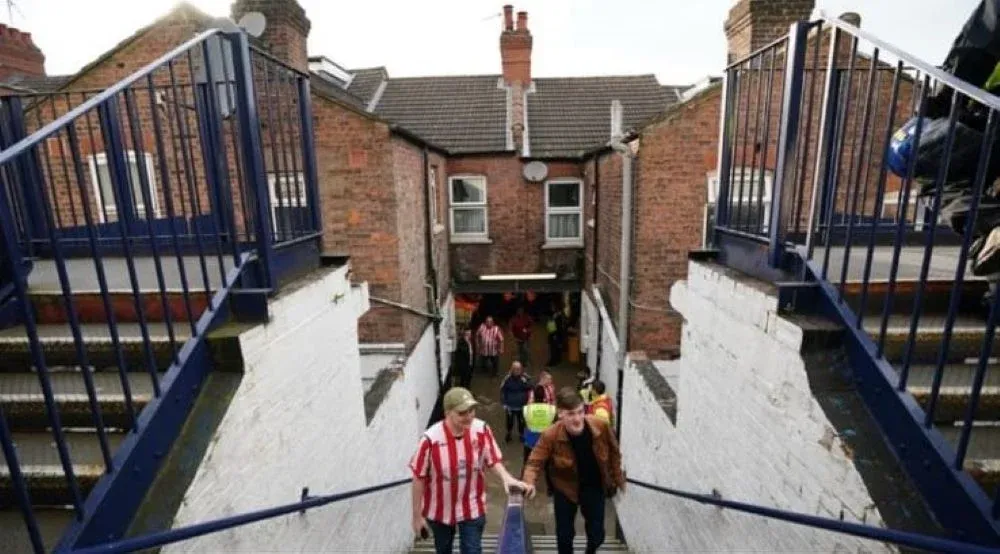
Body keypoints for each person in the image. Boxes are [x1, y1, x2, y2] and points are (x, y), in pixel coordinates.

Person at [410, 387, 533, 554]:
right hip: (440, 509)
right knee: (443, 549)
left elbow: (492, 459)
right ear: (447, 413)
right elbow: (418, 477)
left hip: (472, 505)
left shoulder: (481, 430)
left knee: (472, 549)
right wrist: (417, 516)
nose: (469, 416)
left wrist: (507, 478)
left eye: (471, 410)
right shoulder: (430, 440)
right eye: (462, 413)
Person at [523, 387, 626, 554]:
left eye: (580, 412)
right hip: (565, 488)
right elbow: (535, 461)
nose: (577, 419)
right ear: (560, 414)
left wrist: (617, 478)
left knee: (597, 534)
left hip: (594, 487)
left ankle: (590, 550)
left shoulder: (600, 426)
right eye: (571, 414)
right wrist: (529, 482)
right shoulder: (551, 435)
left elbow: (614, 452)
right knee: (564, 535)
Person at [500, 361, 532, 443]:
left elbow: (531, 387)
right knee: (509, 421)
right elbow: (502, 391)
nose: (517, 371)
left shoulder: (525, 378)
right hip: (510, 406)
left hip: (522, 406)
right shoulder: (507, 378)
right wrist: (504, 403)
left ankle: (521, 434)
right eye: (515, 369)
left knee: (521, 422)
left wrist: (525, 382)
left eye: (518, 369)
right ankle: (509, 433)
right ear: (511, 369)